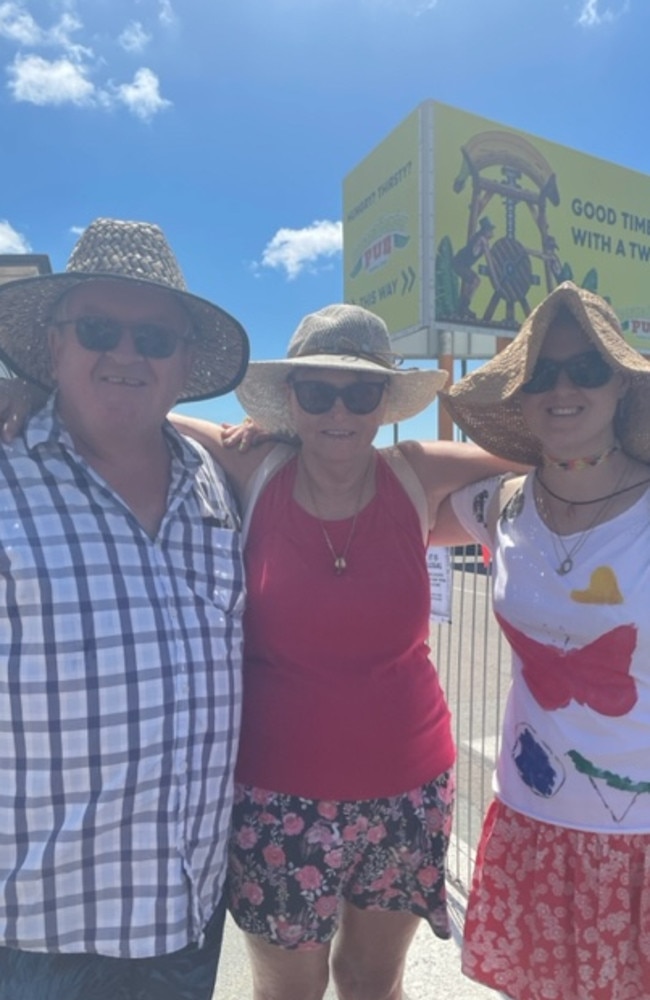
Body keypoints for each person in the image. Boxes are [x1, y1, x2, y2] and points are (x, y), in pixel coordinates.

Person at [165, 303, 524, 1000]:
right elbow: (149, 412)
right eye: (316, 392)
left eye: (360, 393)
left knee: (371, 981)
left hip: (409, 793)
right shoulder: (257, 465)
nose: (339, 411)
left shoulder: (415, 471)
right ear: (291, 398)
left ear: (386, 403)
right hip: (276, 796)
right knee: (288, 991)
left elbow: (540, 447)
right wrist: (25, 393)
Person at [0, 217, 249, 999]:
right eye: (99, 329)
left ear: (182, 366)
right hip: (42, 935)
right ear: (54, 347)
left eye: (154, 339)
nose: (126, 354)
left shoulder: (218, 487)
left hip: (186, 914)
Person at [435, 281, 650, 1000]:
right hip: (535, 819)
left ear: (621, 384)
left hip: (640, 845)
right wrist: (279, 443)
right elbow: (382, 492)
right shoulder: (501, 505)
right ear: (521, 398)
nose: (563, 389)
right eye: (541, 375)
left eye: (586, 370)